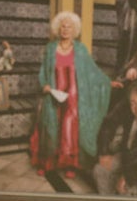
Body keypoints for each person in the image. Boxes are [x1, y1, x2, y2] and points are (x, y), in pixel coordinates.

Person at [29, 10, 111, 179]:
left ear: (75, 30)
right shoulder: (50, 48)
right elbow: (44, 70)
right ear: (58, 29)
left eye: (69, 27)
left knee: (69, 128)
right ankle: (47, 162)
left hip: (73, 95)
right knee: (50, 126)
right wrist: (44, 85)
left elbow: (92, 71)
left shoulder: (80, 49)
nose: (65, 30)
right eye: (63, 26)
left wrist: (108, 82)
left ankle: (69, 164)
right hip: (53, 93)